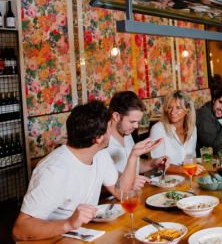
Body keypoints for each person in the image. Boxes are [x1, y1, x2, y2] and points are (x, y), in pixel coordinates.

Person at [12, 100, 163, 241]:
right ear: (98, 138)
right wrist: (69, 223)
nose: (111, 131)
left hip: (87, 234)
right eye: (109, 127)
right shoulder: (53, 170)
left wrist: (133, 157)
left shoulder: (100, 155)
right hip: (55, 239)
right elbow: (20, 229)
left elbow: (120, 192)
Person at [107, 91, 170, 190]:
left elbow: (134, 165)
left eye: (137, 122)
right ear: (116, 116)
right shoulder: (102, 141)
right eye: (132, 122)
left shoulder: (126, 133)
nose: (136, 126)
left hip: (133, 195)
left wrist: (154, 163)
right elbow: (99, 180)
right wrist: (129, 181)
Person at [150, 90, 205, 175]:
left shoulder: (192, 128)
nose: (172, 112)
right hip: (163, 182)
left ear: (187, 110)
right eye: (169, 107)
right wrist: (185, 169)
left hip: (185, 179)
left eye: (178, 108)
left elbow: (191, 158)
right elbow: (158, 164)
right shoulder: (158, 129)